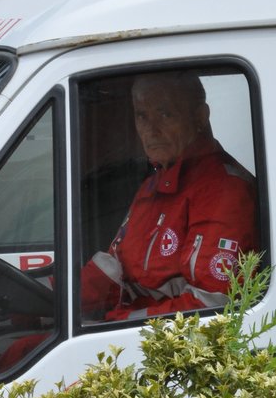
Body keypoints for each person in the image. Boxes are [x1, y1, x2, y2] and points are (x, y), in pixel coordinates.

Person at [81, 71, 258, 322]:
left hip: (169, 346)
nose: (151, 130)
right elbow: (115, 267)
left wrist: (118, 323)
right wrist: (53, 296)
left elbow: (212, 307)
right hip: (137, 328)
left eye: (165, 114)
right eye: (142, 116)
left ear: (200, 117)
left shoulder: (225, 191)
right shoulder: (155, 183)